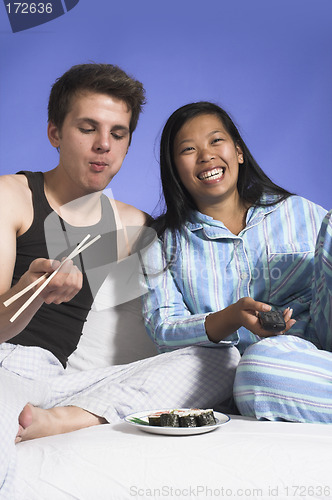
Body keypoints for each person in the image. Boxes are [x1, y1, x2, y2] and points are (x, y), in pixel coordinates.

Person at [0, 69, 240, 498]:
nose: (103, 146)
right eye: (87, 128)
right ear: (55, 132)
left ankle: (73, 417)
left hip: (58, 386)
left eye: (118, 133)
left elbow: (191, 291)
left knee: (221, 361)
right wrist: (29, 293)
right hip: (4, 367)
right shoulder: (13, 197)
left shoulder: (134, 227)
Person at [141, 100, 332, 424]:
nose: (206, 156)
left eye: (216, 141)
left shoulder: (299, 212)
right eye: (188, 149)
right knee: (259, 367)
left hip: (325, 340)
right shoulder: (159, 244)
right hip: (272, 371)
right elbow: (163, 329)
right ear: (174, 168)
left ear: (239, 152)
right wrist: (231, 318)